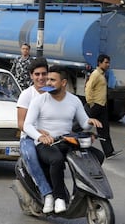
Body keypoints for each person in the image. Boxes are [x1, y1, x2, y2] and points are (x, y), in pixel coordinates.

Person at [24, 65, 104, 213]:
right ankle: (59, 197)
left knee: (97, 156)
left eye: (52, 80)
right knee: (56, 159)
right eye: (47, 79)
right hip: (46, 143)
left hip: (67, 142)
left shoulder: (74, 101)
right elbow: (27, 125)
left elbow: (84, 123)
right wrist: (40, 137)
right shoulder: (39, 100)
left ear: (64, 83)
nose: (48, 82)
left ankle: (82, 191)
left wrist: (90, 122)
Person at [17, 57, 53, 213]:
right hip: (29, 139)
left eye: (44, 74)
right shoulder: (26, 95)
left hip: (52, 137)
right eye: (37, 74)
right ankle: (47, 194)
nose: (41, 78)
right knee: (31, 155)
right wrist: (38, 132)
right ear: (31, 76)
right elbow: (21, 123)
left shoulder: (54, 93)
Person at [85, 54, 122, 159]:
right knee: (82, 124)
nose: (108, 65)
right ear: (99, 63)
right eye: (106, 62)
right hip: (95, 105)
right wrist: (91, 103)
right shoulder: (96, 74)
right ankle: (70, 139)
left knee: (104, 129)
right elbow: (88, 88)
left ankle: (109, 152)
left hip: (102, 106)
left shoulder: (103, 75)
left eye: (108, 62)